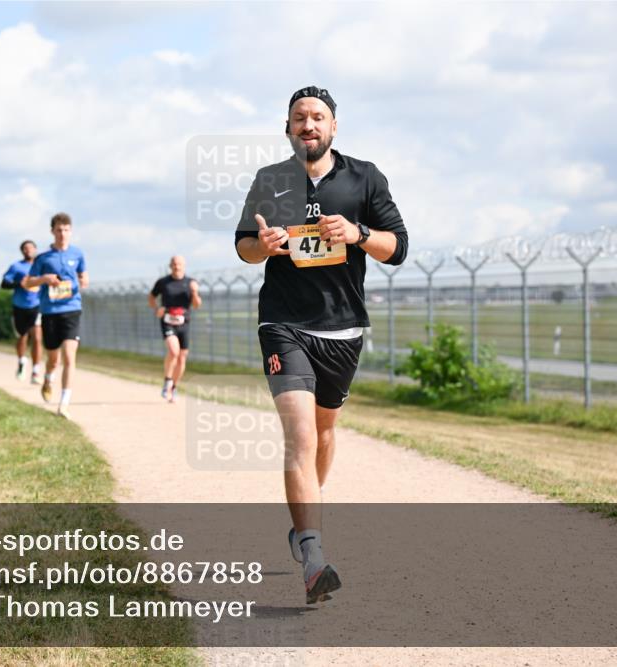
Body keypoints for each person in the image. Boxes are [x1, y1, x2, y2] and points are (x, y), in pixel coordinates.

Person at [234, 86, 408, 604]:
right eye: (299, 118)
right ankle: (313, 555)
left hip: (342, 329)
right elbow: (244, 247)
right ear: (287, 128)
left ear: (333, 127)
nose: (308, 125)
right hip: (283, 324)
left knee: (325, 434)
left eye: (317, 117)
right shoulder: (270, 180)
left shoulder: (364, 177)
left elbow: (397, 248)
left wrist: (356, 233)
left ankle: (303, 520)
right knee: (301, 437)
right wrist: (259, 247)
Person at [22, 213, 88, 419]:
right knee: (53, 359)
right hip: (50, 311)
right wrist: (44, 279)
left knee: (69, 356)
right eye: (59, 230)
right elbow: (27, 282)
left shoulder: (78, 254)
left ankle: (64, 403)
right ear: (52, 231)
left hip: (72, 309)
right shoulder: (43, 258)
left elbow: (84, 276)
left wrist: (81, 282)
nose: (62, 234)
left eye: (66, 229)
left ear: (71, 231)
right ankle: (48, 378)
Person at [148, 256, 201, 402]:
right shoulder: (163, 282)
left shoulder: (191, 283)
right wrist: (156, 308)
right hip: (167, 321)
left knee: (182, 357)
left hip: (184, 322)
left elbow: (197, 305)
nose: (177, 266)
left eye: (179, 264)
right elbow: (151, 297)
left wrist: (195, 292)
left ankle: (174, 387)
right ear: (170, 265)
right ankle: (167, 380)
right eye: (174, 263)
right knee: (173, 351)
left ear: (184, 265)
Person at [1, 240, 43, 384]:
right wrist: (19, 283)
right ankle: (21, 361)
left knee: (37, 338)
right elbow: (4, 283)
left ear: (36, 249)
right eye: (25, 248)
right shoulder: (16, 267)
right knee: (22, 338)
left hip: (37, 306)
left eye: (31, 248)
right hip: (19, 306)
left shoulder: (42, 266)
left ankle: (36, 370)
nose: (28, 250)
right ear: (22, 251)